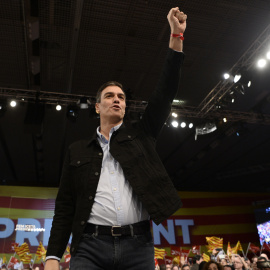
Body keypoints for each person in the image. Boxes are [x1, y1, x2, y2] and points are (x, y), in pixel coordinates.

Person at [45, 6, 187, 270]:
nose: (117, 100)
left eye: (121, 97)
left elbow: (165, 92)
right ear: (97, 107)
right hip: (89, 247)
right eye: (110, 96)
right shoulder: (77, 151)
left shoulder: (142, 134)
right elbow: (65, 207)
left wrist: (176, 37)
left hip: (138, 245)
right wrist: (53, 256)